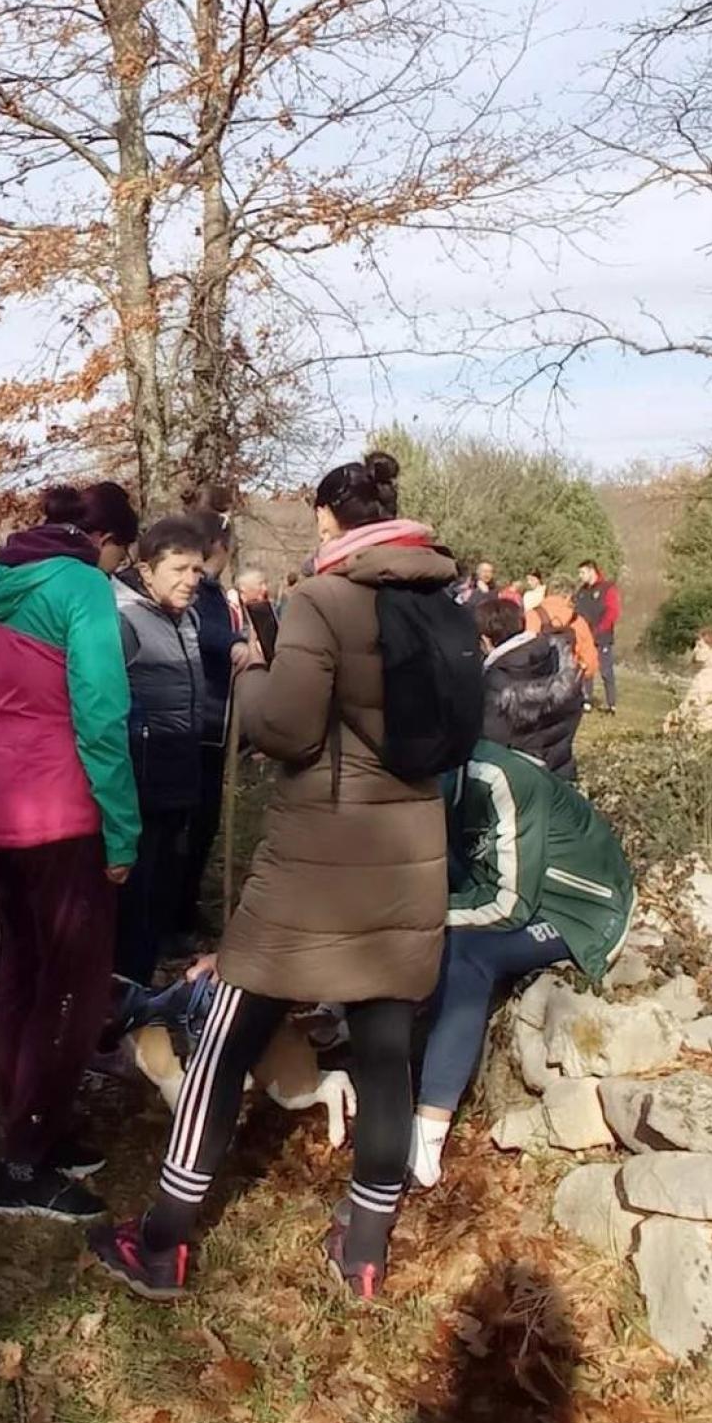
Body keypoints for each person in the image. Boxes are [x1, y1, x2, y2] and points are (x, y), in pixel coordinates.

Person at [89, 452, 457, 1302]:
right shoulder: (437, 601)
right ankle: (364, 1251)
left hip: (316, 866)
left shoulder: (328, 599)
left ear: (332, 522)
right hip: (409, 855)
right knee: (385, 1049)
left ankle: (162, 1243)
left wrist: (252, 669)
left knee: (223, 1034)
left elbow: (288, 730)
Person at [0, 482, 141, 1223]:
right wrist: (123, 831)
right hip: (63, 812)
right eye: (122, 559)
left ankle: (34, 1125)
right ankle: (20, 1165)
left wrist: (14, 712)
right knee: (74, 992)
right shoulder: (85, 588)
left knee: (21, 968)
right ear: (108, 543)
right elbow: (102, 714)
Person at [408, 739, 634, 1189]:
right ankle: (347, 1021)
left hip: (575, 910)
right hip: (505, 885)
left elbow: (511, 905)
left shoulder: (500, 778)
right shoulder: (434, 776)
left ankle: (428, 1137)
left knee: (465, 955)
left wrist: (416, 920)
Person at [113, 516, 208, 985]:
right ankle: (119, 999)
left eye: (198, 570)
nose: (191, 580)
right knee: (134, 897)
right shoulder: (122, 619)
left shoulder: (186, 616)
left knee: (161, 892)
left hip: (179, 774)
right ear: (147, 571)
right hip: (138, 783)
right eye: (179, 569)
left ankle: (140, 987)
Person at [175, 510, 247, 950]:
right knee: (189, 825)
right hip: (196, 720)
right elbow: (199, 631)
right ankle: (175, 915)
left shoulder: (213, 590)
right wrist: (235, 644)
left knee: (202, 823)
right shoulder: (194, 590)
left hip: (213, 721)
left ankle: (186, 905)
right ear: (217, 547)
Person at [476, 596, 584, 782]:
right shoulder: (560, 661)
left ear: (485, 639)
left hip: (518, 784)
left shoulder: (495, 683)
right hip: (560, 773)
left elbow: (489, 744)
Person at [527, 576, 600, 694]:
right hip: (567, 689)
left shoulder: (531, 616)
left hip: (535, 688)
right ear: (569, 596)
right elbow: (590, 662)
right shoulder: (578, 621)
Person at [575, 560, 621, 713]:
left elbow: (612, 612)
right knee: (585, 669)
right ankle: (586, 701)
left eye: (582, 573)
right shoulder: (581, 591)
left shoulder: (607, 588)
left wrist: (599, 630)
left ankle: (611, 704)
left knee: (606, 671)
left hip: (602, 637)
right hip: (584, 637)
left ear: (591, 571)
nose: (580, 576)